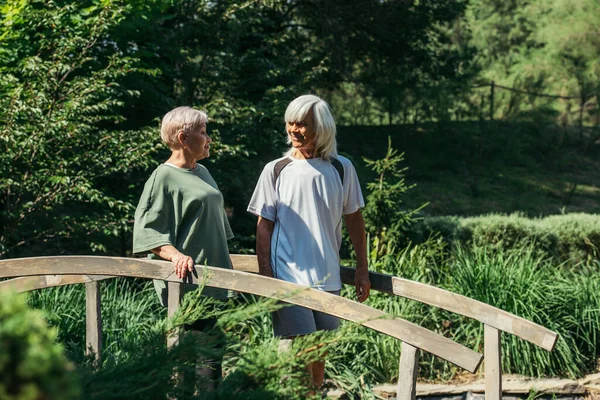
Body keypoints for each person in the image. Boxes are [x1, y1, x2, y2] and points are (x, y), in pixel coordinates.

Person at [247, 94, 371, 391]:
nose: (293, 130)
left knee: (320, 352)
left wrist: (362, 269)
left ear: (322, 126)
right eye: (290, 123)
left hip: (328, 277)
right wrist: (266, 276)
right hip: (288, 278)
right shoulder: (276, 169)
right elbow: (264, 227)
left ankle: (311, 394)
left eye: (301, 124)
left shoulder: (342, 168)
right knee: (305, 348)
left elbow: (354, 220)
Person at [132, 106, 233, 389]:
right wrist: (175, 254)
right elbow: (149, 231)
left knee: (210, 351)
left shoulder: (202, 172)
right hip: (187, 283)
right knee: (200, 355)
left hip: (211, 280)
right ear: (183, 137)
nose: (209, 138)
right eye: (203, 132)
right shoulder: (162, 177)